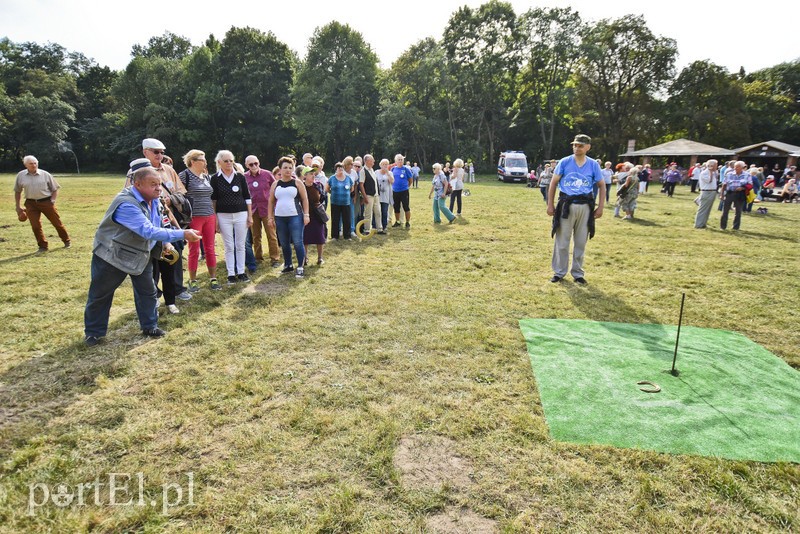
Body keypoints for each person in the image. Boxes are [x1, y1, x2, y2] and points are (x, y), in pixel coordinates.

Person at [83, 161, 201, 346]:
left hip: (140, 253)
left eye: (159, 184)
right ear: (137, 184)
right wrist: (182, 234)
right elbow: (147, 230)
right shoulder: (126, 204)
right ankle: (94, 333)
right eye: (153, 184)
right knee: (101, 294)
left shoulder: (155, 200)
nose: (158, 188)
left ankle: (150, 326)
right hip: (112, 256)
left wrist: (166, 241)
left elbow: (159, 224)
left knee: (148, 291)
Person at [126, 138, 192, 301]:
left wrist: (170, 200)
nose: (160, 155)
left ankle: (177, 289)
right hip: (146, 220)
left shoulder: (169, 170)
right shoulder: (133, 174)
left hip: (168, 217)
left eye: (162, 152)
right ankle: (153, 293)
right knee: (152, 257)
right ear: (145, 152)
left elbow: (181, 193)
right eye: (156, 152)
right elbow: (129, 196)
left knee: (174, 254)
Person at [547, 134, 605, 285]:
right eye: (574, 145)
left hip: (585, 206)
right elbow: (553, 183)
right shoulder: (565, 162)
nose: (576, 148)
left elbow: (601, 185)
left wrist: (600, 207)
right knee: (562, 241)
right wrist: (550, 204)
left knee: (580, 242)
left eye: (580, 145)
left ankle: (578, 273)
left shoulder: (593, 165)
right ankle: (559, 272)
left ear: (588, 147)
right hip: (566, 205)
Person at [179, 150, 220, 291]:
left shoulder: (206, 177)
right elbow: (179, 196)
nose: (205, 162)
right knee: (194, 249)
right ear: (193, 161)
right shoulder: (184, 176)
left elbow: (211, 197)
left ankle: (213, 278)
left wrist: (215, 217)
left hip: (209, 216)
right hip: (194, 217)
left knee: (210, 248)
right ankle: (193, 280)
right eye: (202, 160)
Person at [210, 150, 253, 285]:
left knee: (240, 244)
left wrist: (250, 215)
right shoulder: (215, 178)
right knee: (229, 245)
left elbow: (247, 197)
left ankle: (241, 271)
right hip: (223, 215)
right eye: (226, 161)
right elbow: (214, 200)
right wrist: (215, 219)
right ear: (219, 163)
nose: (229, 163)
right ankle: (231, 274)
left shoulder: (240, 177)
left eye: (231, 160)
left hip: (241, 213)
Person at [14, 155, 71, 254]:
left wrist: (52, 200)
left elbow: (55, 189)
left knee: (56, 223)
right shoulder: (21, 175)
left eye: (35, 163)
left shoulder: (45, 174)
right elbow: (17, 191)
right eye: (31, 163)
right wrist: (18, 206)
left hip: (46, 202)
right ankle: (43, 246)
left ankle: (67, 241)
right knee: (35, 226)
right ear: (26, 165)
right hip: (30, 204)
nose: (34, 165)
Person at [269, 156, 310, 278]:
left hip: (295, 217)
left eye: (290, 168)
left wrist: (306, 214)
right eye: (285, 168)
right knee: (284, 243)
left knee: (298, 242)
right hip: (280, 218)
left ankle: (300, 267)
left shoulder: (297, 183)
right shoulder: (275, 184)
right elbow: (271, 201)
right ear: (280, 170)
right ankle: (288, 265)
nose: (288, 170)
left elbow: (304, 199)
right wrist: (270, 217)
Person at [244, 155, 280, 267]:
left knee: (271, 234)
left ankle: (275, 259)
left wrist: (275, 205)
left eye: (256, 163)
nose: (254, 166)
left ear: (259, 163)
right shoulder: (244, 177)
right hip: (252, 210)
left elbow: (276, 188)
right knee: (256, 236)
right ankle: (258, 258)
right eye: (251, 164)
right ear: (246, 165)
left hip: (267, 210)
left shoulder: (267, 174)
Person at [301, 166, 327, 265]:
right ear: (305, 176)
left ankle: (320, 258)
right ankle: (305, 258)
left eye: (313, 174)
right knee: (305, 238)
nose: (313, 175)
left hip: (317, 214)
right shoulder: (300, 186)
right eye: (311, 174)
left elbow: (322, 198)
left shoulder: (318, 185)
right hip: (305, 214)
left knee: (319, 237)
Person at [326, 162, 355, 240]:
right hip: (335, 202)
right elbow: (327, 188)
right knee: (335, 219)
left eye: (342, 168)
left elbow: (352, 188)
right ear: (336, 169)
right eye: (339, 168)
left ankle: (347, 236)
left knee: (347, 219)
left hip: (346, 202)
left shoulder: (348, 178)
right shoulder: (332, 178)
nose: (340, 169)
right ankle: (335, 236)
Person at [720, 161, 752, 231]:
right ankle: (723, 226)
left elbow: (750, 185)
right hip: (730, 193)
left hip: (740, 194)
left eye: (738, 167)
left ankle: (736, 227)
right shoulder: (729, 174)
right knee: (725, 210)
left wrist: (743, 188)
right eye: (735, 166)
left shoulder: (747, 175)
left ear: (742, 167)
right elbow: (724, 184)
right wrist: (722, 194)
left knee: (738, 211)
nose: (736, 168)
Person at [359, 154, 383, 234]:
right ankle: (367, 229)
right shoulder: (363, 171)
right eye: (372, 160)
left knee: (378, 212)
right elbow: (361, 184)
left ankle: (380, 228)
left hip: (376, 195)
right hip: (369, 195)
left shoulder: (372, 170)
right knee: (368, 213)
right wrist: (365, 196)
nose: (374, 161)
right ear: (367, 161)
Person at [693, 160, 719, 229]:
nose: (716, 167)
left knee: (708, 209)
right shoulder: (704, 173)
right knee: (703, 209)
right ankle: (698, 224)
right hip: (706, 192)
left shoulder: (714, 173)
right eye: (715, 165)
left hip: (712, 192)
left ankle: (703, 223)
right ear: (711, 166)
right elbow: (709, 181)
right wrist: (710, 171)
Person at [391, 154, 413, 228]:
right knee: (396, 207)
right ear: (396, 161)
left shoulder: (406, 169)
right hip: (395, 191)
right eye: (399, 159)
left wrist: (407, 186)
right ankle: (397, 221)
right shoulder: (393, 169)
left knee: (406, 206)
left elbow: (410, 180)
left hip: (404, 191)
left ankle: (407, 222)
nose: (400, 161)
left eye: (401, 159)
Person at [375, 158, 394, 232]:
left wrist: (388, 173)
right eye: (383, 164)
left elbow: (392, 181)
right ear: (380, 165)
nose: (385, 166)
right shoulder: (376, 172)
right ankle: (376, 226)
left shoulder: (390, 173)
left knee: (385, 211)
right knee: (377, 211)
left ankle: (384, 226)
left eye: (386, 164)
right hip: (377, 195)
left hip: (386, 195)